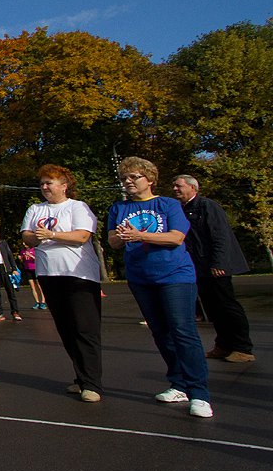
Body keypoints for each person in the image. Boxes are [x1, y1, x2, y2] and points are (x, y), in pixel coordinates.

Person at [108, 157, 213, 418]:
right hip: (141, 277)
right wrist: (121, 238)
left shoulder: (167, 204)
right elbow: (112, 241)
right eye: (124, 179)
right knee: (161, 332)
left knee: (182, 330)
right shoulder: (118, 208)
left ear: (150, 179)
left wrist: (140, 235)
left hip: (175, 275)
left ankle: (199, 393)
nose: (128, 182)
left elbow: (176, 237)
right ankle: (178, 384)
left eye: (134, 177)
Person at [21, 164, 103, 402]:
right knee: (66, 329)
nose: (45, 187)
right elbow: (27, 236)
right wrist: (36, 237)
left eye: (50, 182)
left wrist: (51, 235)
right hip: (49, 274)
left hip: (79, 275)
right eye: (42, 183)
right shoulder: (35, 209)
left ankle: (93, 384)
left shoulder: (76, 207)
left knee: (85, 329)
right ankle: (81, 378)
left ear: (64, 186)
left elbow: (82, 236)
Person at [171, 174, 254, 363]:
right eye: (173, 186)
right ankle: (224, 345)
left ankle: (243, 348)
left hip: (215, 266)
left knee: (227, 305)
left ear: (193, 188)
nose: (175, 189)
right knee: (212, 307)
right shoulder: (181, 210)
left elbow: (221, 236)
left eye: (179, 186)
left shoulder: (207, 206)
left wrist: (219, 263)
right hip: (199, 267)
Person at [0, 229, 22, 322]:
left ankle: (15, 312)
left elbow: (10, 256)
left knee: (10, 291)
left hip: (5, 268)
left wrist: (14, 268)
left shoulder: (3, 244)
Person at [20, 245, 46, 309]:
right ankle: (37, 302)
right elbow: (23, 261)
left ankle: (43, 302)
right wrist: (21, 258)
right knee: (32, 287)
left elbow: (38, 259)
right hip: (28, 269)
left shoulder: (34, 250)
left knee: (39, 286)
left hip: (35, 269)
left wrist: (30, 255)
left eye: (26, 243)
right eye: (23, 243)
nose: (25, 244)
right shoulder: (23, 251)